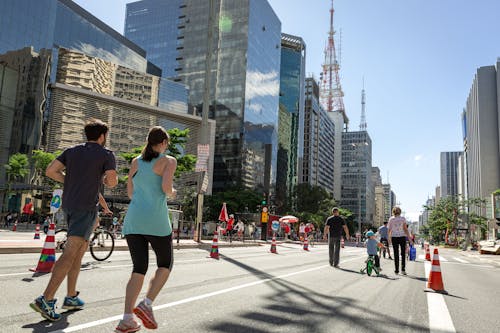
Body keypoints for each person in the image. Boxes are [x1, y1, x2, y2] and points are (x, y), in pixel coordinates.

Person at [30, 118, 117, 321]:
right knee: (71, 252)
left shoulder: (71, 151)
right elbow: (112, 182)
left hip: (69, 205)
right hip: (86, 208)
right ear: (103, 136)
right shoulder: (106, 154)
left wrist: (70, 180)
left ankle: (70, 296)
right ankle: (46, 298)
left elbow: (51, 171)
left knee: (79, 251)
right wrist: (108, 178)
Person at [115, 126, 177, 333]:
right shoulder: (168, 161)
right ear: (164, 143)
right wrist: (173, 193)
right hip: (156, 221)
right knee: (165, 264)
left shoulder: (136, 161)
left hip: (133, 220)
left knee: (138, 268)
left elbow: (130, 191)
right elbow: (166, 189)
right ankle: (147, 304)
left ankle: (126, 319)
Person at [387, 206, 413, 275]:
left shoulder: (391, 219)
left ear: (393, 212)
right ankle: (403, 270)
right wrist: (410, 239)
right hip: (402, 237)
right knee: (403, 253)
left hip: (394, 237)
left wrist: (389, 239)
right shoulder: (403, 219)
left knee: (396, 254)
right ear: (400, 212)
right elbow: (405, 229)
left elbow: (389, 230)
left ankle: (396, 270)